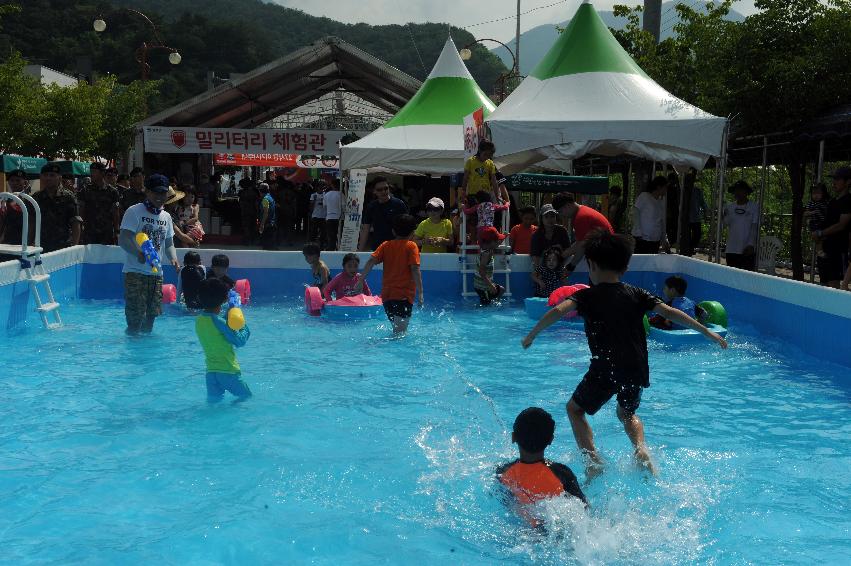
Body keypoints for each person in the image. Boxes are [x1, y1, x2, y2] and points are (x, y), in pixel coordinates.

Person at [521, 231, 727, 477]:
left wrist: (533, 333)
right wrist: (706, 332)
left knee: (574, 410)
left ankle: (593, 462)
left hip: (605, 367)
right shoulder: (637, 293)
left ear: (592, 265)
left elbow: (558, 310)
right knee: (627, 413)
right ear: (625, 266)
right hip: (636, 367)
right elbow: (671, 313)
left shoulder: (586, 296)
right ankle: (640, 449)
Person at [496, 407, 587, 526]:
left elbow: (506, 502)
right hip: (557, 525)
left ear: (513, 437)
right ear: (551, 440)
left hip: (523, 528)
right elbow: (583, 508)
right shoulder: (562, 472)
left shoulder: (503, 473)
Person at [117, 174, 180, 335]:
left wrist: (173, 258)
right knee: (135, 318)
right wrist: (137, 252)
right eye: (156, 193)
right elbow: (123, 239)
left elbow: (169, 244)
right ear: (147, 192)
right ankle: (132, 349)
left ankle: (146, 353)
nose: (160, 197)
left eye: (163, 193)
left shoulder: (166, 217)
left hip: (156, 274)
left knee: (152, 315)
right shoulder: (135, 211)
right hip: (135, 272)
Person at [356, 214, 423, 334]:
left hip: (387, 297)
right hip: (403, 296)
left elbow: (371, 261)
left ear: (393, 231)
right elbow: (414, 269)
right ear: (413, 232)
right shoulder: (411, 246)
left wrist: (360, 280)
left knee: (396, 330)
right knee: (400, 334)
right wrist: (421, 292)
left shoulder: (385, 245)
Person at [195, 278, 252, 403]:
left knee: (214, 404)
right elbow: (239, 341)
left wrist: (228, 314)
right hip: (228, 372)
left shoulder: (199, 320)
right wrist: (242, 323)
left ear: (200, 298)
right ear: (225, 299)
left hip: (211, 373)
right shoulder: (219, 322)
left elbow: (216, 327)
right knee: (246, 397)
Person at [552, 193, 614, 279]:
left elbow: (581, 247)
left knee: (600, 286)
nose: (561, 215)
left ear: (567, 205)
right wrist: (562, 256)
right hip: (605, 253)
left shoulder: (581, 217)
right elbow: (579, 243)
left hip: (605, 255)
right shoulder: (581, 212)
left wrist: (570, 266)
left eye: (560, 211)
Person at [31, 163, 82, 253]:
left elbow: (75, 223)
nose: (48, 178)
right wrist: (29, 244)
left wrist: (75, 247)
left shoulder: (68, 197)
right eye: (45, 175)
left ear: (59, 178)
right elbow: (31, 223)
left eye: (52, 175)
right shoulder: (36, 197)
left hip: (63, 246)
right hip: (41, 247)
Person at [814, 166, 851, 288]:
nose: (834, 182)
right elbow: (826, 222)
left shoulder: (848, 200)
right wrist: (816, 232)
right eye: (833, 179)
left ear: (848, 182)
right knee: (823, 285)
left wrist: (821, 233)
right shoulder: (832, 202)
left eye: (838, 179)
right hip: (825, 250)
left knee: (834, 287)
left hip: (838, 251)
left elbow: (841, 225)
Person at [358, 177, 409, 251]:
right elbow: (366, 230)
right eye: (380, 190)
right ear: (374, 191)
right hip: (377, 247)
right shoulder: (371, 206)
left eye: (386, 188)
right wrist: (360, 251)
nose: (383, 191)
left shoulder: (399, 204)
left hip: (396, 247)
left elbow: (407, 227)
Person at [79, 162, 121, 245]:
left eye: (94, 172)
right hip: (89, 231)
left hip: (106, 232)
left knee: (106, 256)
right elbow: (81, 210)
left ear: (102, 173)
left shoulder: (112, 191)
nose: (91, 174)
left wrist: (117, 231)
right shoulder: (85, 190)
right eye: (91, 171)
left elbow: (115, 212)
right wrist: (81, 228)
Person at [722, 180, 759, 271]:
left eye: (741, 190)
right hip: (731, 249)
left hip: (747, 249)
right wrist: (722, 214)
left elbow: (754, 227)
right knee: (732, 276)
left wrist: (750, 244)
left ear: (746, 192)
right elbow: (724, 223)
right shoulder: (729, 207)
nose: (737, 192)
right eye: (736, 190)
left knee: (748, 276)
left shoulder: (754, 207)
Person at [631, 176, 670, 254]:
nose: (666, 190)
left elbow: (661, 221)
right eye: (665, 187)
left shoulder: (661, 202)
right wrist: (638, 231)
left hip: (655, 240)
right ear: (659, 187)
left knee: (651, 263)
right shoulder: (644, 196)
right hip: (643, 239)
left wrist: (664, 239)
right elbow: (635, 212)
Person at [529, 204, 571, 271]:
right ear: (541, 219)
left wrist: (561, 266)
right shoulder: (536, 235)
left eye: (552, 216)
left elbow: (568, 251)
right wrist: (541, 272)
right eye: (546, 217)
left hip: (560, 268)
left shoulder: (562, 231)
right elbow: (535, 258)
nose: (550, 219)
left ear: (556, 217)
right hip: (542, 270)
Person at [473, 227, 507, 305]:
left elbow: (497, 242)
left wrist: (504, 236)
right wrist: (491, 286)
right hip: (482, 287)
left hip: (482, 284)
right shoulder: (486, 254)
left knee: (501, 290)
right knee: (485, 305)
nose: (499, 242)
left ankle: (495, 303)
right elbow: (481, 272)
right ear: (491, 242)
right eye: (497, 241)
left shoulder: (485, 247)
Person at [0, 170, 29, 261]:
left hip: (24, 242)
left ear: (25, 182)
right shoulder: (4, 199)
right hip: (7, 242)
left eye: (18, 180)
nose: (14, 183)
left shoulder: (30, 200)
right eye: (12, 180)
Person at [461, 140, 498, 204]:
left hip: (486, 195)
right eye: (485, 154)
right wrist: (463, 194)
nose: (487, 157)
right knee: (474, 213)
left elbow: (494, 181)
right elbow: (465, 179)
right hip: (473, 195)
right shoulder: (470, 161)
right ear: (480, 151)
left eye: (489, 155)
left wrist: (497, 197)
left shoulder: (490, 163)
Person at [804, 182, 830, 260]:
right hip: (814, 223)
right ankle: (818, 251)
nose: (816, 195)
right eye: (814, 193)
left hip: (822, 223)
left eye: (818, 193)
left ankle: (817, 251)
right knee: (818, 237)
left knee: (822, 237)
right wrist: (812, 212)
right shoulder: (811, 203)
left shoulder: (824, 203)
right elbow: (805, 213)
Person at [238, 178, 259, 245]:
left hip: (245, 211)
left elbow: (240, 203)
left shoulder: (242, 193)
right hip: (253, 211)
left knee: (246, 226)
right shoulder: (254, 192)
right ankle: (253, 240)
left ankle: (247, 240)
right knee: (253, 226)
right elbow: (256, 203)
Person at [323, 180, 342, 251]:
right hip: (338, 218)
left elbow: (324, 206)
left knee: (330, 236)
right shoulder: (341, 194)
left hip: (329, 217)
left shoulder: (326, 195)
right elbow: (344, 206)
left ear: (332, 185)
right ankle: (336, 248)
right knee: (338, 235)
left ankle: (331, 249)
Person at [257, 182, 277, 250]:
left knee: (266, 246)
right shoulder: (270, 197)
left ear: (260, 190)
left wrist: (262, 225)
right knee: (271, 244)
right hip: (272, 224)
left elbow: (265, 213)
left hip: (267, 225)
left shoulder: (265, 199)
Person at [309, 182, 326, 249]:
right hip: (315, 215)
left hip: (323, 216)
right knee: (314, 231)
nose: (320, 189)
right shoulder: (313, 195)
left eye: (321, 188)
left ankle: (322, 244)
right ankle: (312, 244)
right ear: (316, 188)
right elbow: (311, 206)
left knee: (323, 231)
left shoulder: (325, 195)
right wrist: (315, 200)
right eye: (319, 188)